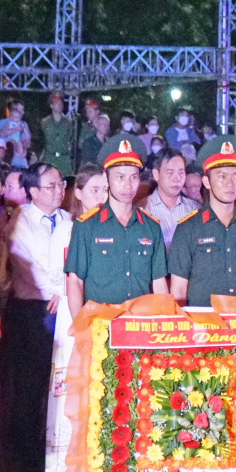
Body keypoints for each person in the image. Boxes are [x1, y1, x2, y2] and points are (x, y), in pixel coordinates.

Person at [2, 162, 73, 472]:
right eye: (52, 185)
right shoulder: (20, 222)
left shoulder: (69, 220)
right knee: (32, 384)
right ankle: (28, 460)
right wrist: (59, 289)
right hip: (34, 310)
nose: (60, 190)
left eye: (61, 185)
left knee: (62, 381)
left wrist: (66, 290)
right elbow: (32, 267)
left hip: (65, 306)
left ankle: (58, 453)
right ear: (32, 191)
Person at [170, 136, 236, 308]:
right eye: (222, 176)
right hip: (203, 329)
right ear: (206, 182)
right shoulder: (188, 229)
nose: (230, 183)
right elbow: (178, 289)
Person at [65, 135, 167, 316]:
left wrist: (165, 324)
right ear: (106, 178)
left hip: (140, 327)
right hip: (100, 328)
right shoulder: (86, 226)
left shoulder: (151, 227)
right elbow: (75, 282)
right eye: (120, 177)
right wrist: (81, 330)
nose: (128, 185)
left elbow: (159, 283)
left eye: (134, 177)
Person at [143, 147, 200, 248]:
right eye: (170, 173)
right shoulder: (143, 209)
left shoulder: (195, 209)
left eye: (181, 172)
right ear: (156, 174)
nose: (177, 178)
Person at [42, 92, 75, 176]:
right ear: (51, 106)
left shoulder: (69, 122)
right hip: (49, 158)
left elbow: (71, 139)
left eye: (61, 103)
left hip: (64, 159)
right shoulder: (45, 122)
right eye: (56, 103)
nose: (59, 105)